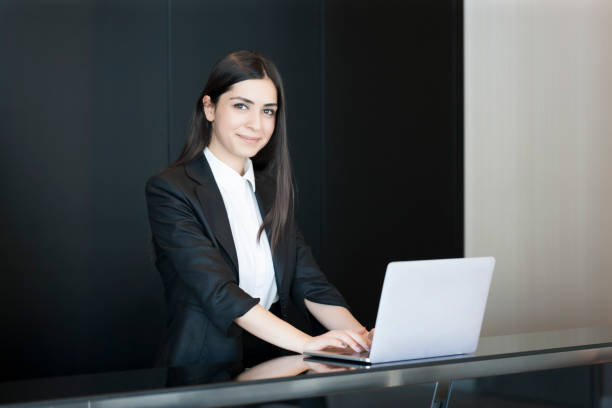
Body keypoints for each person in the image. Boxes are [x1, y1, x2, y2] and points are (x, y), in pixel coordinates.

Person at [145, 50, 372, 368]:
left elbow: (310, 283)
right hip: (204, 372)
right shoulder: (171, 189)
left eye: (268, 111)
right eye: (241, 106)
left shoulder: (269, 188)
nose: (256, 124)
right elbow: (220, 292)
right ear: (209, 108)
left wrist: (362, 339)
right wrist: (308, 344)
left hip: (277, 365)